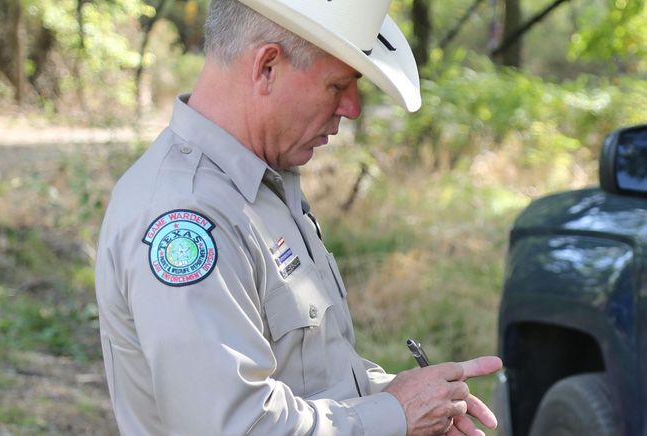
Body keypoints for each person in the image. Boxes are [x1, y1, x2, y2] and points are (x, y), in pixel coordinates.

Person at [95, 0, 503, 434]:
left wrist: (407, 398)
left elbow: (308, 377)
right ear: (268, 66)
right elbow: (237, 425)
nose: (353, 107)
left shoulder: (260, 187)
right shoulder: (189, 215)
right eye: (337, 85)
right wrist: (394, 415)